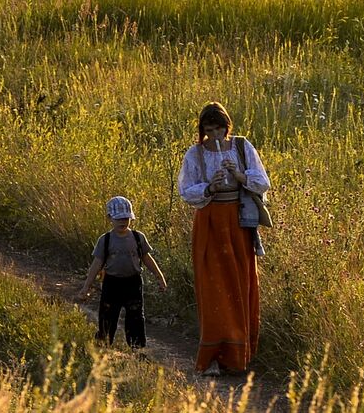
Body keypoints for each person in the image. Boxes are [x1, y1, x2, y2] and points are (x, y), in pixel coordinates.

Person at [177, 102, 271, 376]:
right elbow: (186, 191)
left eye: (219, 129)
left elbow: (262, 182)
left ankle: (238, 356)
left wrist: (239, 175)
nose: (215, 135)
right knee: (213, 286)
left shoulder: (242, 146)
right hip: (210, 222)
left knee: (240, 283)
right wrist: (210, 186)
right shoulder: (195, 153)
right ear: (202, 130)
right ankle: (214, 357)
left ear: (227, 127)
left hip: (238, 221)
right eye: (209, 130)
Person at [78, 196, 168, 348]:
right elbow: (96, 264)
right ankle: (104, 345)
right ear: (109, 218)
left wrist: (160, 277)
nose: (123, 222)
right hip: (112, 283)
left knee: (135, 316)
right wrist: (86, 286)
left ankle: (137, 348)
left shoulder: (138, 237)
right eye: (118, 218)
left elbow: (147, 258)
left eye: (126, 218)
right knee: (107, 315)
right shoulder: (105, 240)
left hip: (133, 283)